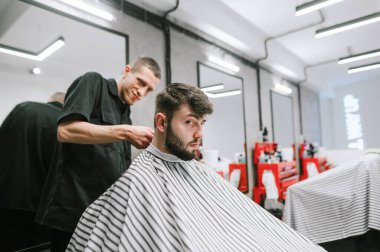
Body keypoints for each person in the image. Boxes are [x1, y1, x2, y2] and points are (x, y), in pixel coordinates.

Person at [67, 83, 325, 252]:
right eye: (190, 122)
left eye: (202, 123)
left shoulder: (198, 170)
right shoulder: (140, 180)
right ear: (161, 122)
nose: (200, 133)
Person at [36, 57, 161, 252]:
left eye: (149, 90)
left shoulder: (125, 113)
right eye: (141, 82)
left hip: (102, 217)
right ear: (127, 71)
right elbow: (66, 131)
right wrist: (127, 132)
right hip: (72, 213)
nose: (142, 92)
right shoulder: (94, 82)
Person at [0, 92, 65, 252]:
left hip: (6, 199)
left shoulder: (23, 108)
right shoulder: (65, 124)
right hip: (41, 209)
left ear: (50, 100)